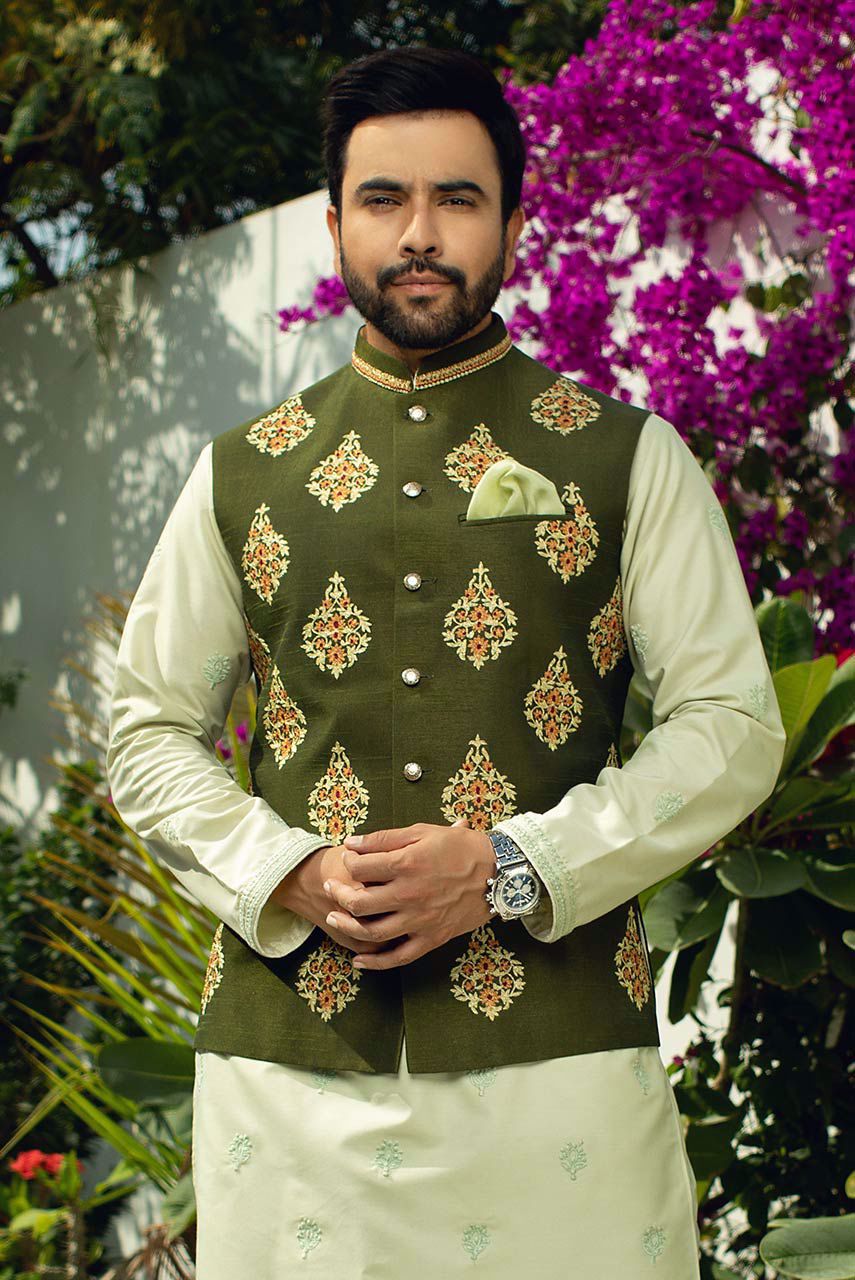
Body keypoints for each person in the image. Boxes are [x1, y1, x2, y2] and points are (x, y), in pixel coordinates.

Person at [106, 45, 786, 1278]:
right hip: (292, 1090)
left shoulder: (628, 459)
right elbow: (147, 729)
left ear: (514, 225)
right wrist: (290, 868)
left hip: (563, 1081)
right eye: (384, 199)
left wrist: (515, 864)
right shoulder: (238, 472)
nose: (419, 232)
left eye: (457, 198)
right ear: (334, 226)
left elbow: (731, 723)